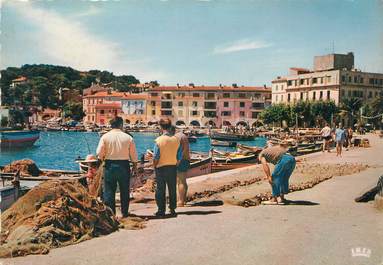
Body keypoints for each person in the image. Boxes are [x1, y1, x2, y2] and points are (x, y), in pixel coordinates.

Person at [96, 116, 138, 218]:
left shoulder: (105, 137)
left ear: (111, 125)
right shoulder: (128, 137)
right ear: (121, 124)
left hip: (110, 165)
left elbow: (99, 153)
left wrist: (101, 159)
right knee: (124, 190)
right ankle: (125, 213)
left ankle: (111, 214)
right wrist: (135, 165)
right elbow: (133, 155)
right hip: (124, 165)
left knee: (109, 190)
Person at [153, 119, 182, 217]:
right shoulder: (176, 140)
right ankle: (172, 208)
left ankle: (161, 210)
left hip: (161, 167)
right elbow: (179, 156)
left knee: (160, 189)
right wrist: (175, 164)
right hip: (172, 167)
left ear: (161, 127)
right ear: (170, 127)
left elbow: (156, 156)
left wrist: (155, 165)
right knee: (172, 188)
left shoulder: (159, 140)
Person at [259, 141, 296, 205]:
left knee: (274, 178)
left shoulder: (261, 155)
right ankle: (282, 197)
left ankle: (274, 199)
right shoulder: (272, 149)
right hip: (292, 159)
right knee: (284, 178)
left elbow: (265, 165)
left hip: (283, 159)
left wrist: (268, 176)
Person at [169, 126, 191, 207]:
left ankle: (180, 201)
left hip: (180, 161)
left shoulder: (176, 137)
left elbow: (177, 151)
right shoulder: (183, 136)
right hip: (186, 159)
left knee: (180, 182)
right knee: (183, 181)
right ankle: (183, 200)